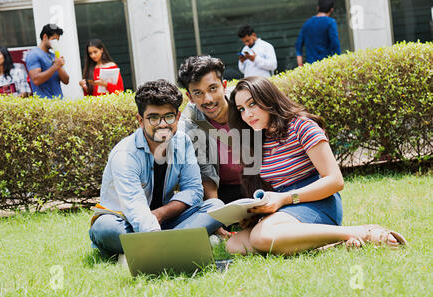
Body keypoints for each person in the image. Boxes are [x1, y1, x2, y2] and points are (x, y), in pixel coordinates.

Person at [225, 76, 407, 256]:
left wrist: (284, 198)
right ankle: (328, 246)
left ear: (269, 99)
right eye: (241, 109)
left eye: (252, 104)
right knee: (234, 245)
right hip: (284, 209)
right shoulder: (257, 140)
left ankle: (361, 232)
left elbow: (335, 181)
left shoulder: (301, 126)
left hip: (317, 201)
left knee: (261, 237)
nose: (247, 115)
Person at [89, 79, 224, 259]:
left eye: (169, 116)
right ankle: (183, 243)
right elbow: (135, 207)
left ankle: (138, 251)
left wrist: (160, 214)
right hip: (125, 221)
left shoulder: (183, 142)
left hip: (165, 220)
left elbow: (193, 190)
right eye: (153, 117)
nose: (162, 124)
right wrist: (152, 225)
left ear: (178, 117)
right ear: (140, 120)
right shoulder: (125, 154)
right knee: (104, 228)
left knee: (215, 206)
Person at [177, 55, 245, 206]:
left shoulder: (245, 102)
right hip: (223, 189)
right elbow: (206, 173)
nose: (207, 99)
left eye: (213, 88)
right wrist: (217, 215)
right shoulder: (189, 124)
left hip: (260, 179)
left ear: (224, 85)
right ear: (190, 97)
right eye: (198, 93)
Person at [26, 23, 69, 99]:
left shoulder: (53, 55)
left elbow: (66, 81)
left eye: (57, 40)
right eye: (54, 40)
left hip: (59, 103)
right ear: (45, 37)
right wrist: (55, 66)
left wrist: (59, 66)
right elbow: (36, 80)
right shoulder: (33, 54)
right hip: (44, 104)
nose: (55, 43)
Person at [295, 0, 341, 67]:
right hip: (327, 66)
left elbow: (298, 46)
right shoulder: (330, 22)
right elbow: (336, 46)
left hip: (311, 68)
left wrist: (300, 66)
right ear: (331, 10)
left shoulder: (307, 23)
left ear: (318, 8)